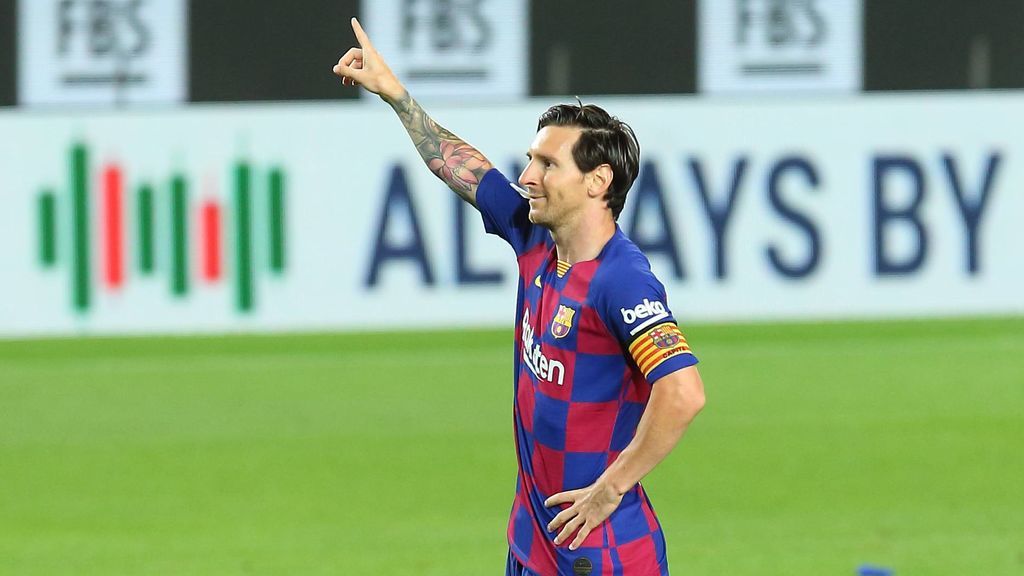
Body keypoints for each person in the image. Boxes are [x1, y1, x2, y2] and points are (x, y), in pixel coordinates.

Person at [333, 17, 705, 576]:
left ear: (597, 181)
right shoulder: (533, 237)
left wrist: (610, 490)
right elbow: (462, 166)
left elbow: (682, 393)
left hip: (598, 553)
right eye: (532, 159)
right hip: (532, 540)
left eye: (548, 164)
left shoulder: (620, 280)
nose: (527, 175)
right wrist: (396, 95)